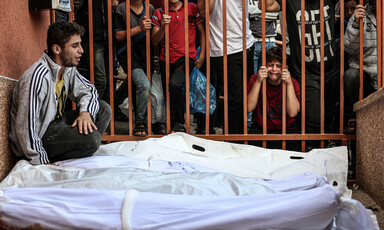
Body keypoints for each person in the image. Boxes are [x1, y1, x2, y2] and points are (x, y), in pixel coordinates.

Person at [9, 21, 112, 165]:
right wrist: (41, 162)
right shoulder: (37, 77)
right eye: (75, 46)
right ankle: (68, 155)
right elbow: (25, 127)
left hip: (56, 123)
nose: (81, 50)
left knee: (103, 109)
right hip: (40, 136)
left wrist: (85, 113)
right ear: (57, 49)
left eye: (80, 44)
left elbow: (89, 90)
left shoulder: (66, 69)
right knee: (91, 140)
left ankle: (80, 152)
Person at [262, 0, 340, 150]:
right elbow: (265, 6)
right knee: (313, 120)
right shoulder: (291, 1)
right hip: (306, 73)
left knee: (333, 114)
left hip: (331, 69)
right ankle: (312, 155)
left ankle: (331, 150)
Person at [197, 0, 255, 135]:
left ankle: (242, 138)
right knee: (235, 99)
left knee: (246, 97)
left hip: (247, 44)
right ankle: (233, 140)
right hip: (224, 48)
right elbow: (204, 11)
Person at [151, 0, 206, 133]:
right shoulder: (160, 12)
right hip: (166, 59)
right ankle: (169, 126)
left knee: (175, 85)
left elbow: (203, 33)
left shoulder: (192, 8)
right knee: (167, 93)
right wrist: (163, 26)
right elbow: (154, 41)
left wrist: (202, 55)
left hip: (186, 57)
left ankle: (179, 123)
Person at [113, 0, 155, 136]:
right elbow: (118, 36)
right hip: (128, 54)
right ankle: (140, 122)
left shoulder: (150, 8)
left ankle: (115, 100)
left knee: (134, 81)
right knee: (143, 85)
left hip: (147, 54)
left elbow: (155, 33)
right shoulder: (121, 9)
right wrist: (140, 29)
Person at [247, 46, 300, 150]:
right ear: (265, 66)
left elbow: (293, 112)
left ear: (286, 68)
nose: (274, 69)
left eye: (278, 66)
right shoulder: (255, 79)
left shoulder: (292, 82)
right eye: (271, 65)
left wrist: (288, 84)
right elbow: (248, 108)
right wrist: (258, 81)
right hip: (261, 129)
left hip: (287, 130)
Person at [343, 0, 377, 134]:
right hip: (365, 74)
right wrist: (356, 23)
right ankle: (353, 119)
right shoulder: (360, 12)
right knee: (350, 76)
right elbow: (349, 48)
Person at [76, 0, 110, 102]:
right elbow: (76, 10)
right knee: (100, 81)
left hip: (108, 41)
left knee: (109, 81)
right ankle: (89, 108)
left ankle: (102, 111)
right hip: (92, 41)